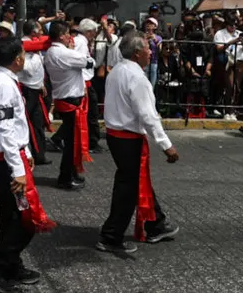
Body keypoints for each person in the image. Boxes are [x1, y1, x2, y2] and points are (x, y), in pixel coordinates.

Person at [0, 36, 56, 293]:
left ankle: (10, 265)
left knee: (11, 215)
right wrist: (18, 170)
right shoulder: (3, 86)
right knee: (25, 220)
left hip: (11, 157)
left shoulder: (5, 81)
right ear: (18, 59)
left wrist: (27, 150)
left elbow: (16, 126)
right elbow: (6, 130)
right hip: (8, 163)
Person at [99, 31, 179, 253]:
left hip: (117, 136)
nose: (151, 51)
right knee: (128, 188)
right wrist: (166, 145)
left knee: (135, 181)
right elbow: (148, 116)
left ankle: (156, 223)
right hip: (127, 138)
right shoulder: (137, 78)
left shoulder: (117, 71)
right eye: (147, 47)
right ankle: (110, 236)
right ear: (136, 53)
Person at [44, 20, 94, 190]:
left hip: (64, 98)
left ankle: (71, 172)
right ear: (61, 36)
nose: (70, 37)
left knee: (73, 140)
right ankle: (65, 176)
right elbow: (89, 62)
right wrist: (74, 51)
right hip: (70, 100)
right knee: (72, 143)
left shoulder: (51, 52)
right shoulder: (64, 53)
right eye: (67, 34)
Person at [18, 21, 50, 165]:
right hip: (26, 90)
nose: (42, 32)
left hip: (35, 89)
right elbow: (28, 69)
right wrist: (36, 53)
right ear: (33, 32)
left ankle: (40, 155)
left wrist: (41, 83)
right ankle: (20, 155)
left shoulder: (34, 45)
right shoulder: (24, 46)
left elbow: (37, 70)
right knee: (22, 123)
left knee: (37, 124)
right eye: (40, 30)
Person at [76, 18, 103, 153]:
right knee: (92, 113)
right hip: (85, 81)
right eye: (93, 31)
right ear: (89, 32)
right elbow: (80, 64)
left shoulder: (82, 42)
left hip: (86, 81)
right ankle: (93, 141)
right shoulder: (81, 43)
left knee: (90, 112)